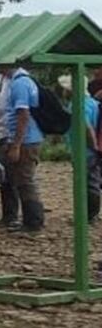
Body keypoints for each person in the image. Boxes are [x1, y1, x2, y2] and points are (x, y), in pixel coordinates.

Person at [0, 65, 45, 232]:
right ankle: (28, 219)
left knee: (25, 180)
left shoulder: (20, 83)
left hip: (26, 140)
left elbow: (23, 115)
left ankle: (33, 221)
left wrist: (16, 144)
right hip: (23, 138)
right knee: (18, 179)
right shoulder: (18, 81)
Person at [59, 75, 102, 222]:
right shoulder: (92, 103)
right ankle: (92, 214)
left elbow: (86, 127)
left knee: (86, 183)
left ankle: (89, 215)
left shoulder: (77, 104)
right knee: (92, 181)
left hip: (84, 151)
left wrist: (94, 146)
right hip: (90, 150)